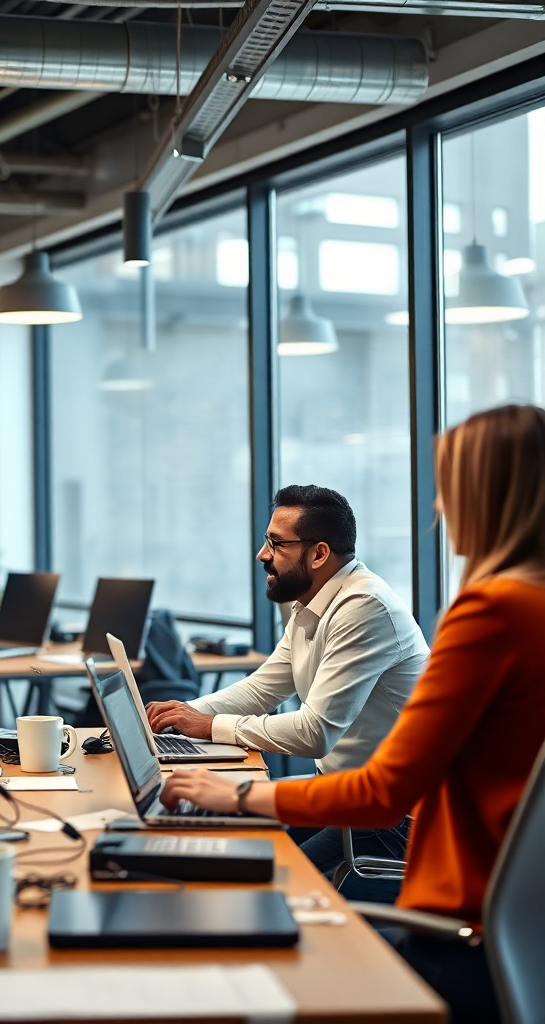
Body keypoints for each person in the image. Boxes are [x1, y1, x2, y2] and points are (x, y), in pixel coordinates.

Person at [159, 404, 545, 1024]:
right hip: (513, 926)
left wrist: (236, 795)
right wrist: (193, 717)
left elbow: (382, 791)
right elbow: (268, 684)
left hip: (453, 911)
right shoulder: (530, 605)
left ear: (492, 498)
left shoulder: (490, 611)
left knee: (255, 917)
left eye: (451, 489)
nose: (442, 510)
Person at [147, 485, 429, 890]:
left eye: (276, 544)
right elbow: (263, 688)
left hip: (389, 820)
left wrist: (208, 727)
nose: (263, 555)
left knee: (266, 883)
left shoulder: (364, 607)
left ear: (319, 554)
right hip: (342, 796)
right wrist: (180, 716)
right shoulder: (312, 601)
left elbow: (316, 733)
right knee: (226, 839)